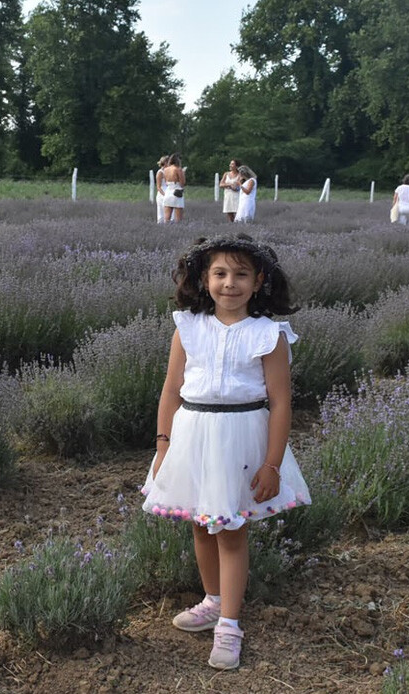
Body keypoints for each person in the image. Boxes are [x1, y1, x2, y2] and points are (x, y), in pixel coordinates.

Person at [141, 233, 312, 671]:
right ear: (204, 279)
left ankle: (230, 626)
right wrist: (163, 445)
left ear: (259, 282)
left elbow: (281, 403)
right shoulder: (188, 328)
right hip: (193, 435)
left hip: (240, 439)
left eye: (241, 274)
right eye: (219, 273)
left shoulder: (268, 334)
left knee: (231, 532)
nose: (229, 283)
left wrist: (272, 463)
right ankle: (213, 600)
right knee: (202, 525)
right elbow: (171, 390)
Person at [161, 153, 186, 223]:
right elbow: (182, 184)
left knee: (167, 218)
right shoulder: (178, 169)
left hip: (168, 192)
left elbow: (166, 182)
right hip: (177, 192)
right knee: (178, 219)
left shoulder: (165, 170)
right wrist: (183, 174)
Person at [155, 155, 170, 224]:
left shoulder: (169, 171)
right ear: (165, 162)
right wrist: (164, 195)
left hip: (169, 192)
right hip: (162, 193)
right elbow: (158, 187)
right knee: (161, 214)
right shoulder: (160, 172)